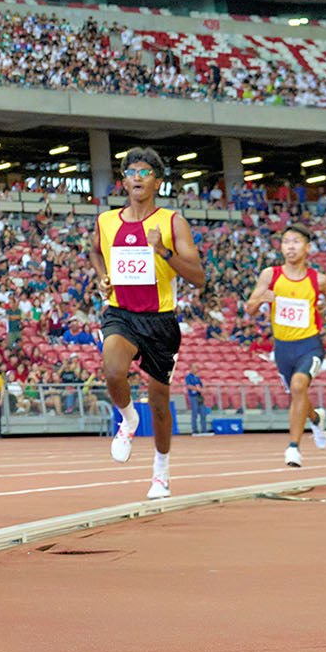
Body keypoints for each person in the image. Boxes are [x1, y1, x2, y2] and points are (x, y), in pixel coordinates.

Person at [92, 147, 204, 499]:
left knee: (159, 400)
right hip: (120, 313)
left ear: (157, 181)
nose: (137, 177)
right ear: (123, 180)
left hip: (159, 321)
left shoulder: (172, 222)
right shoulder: (107, 221)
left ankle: (161, 471)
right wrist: (102, 276)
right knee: (112, 370)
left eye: (144, 172)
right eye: (131, 172)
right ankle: (127, 419)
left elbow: (198, 277)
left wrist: (163, 252)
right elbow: (95, 250)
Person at [244, 224, 326, 468]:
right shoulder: (270, 275)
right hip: (282, 347)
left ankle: (293, 448)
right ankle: (316, 418)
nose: (290, 246)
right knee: (297, 393)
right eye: (286, 241)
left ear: (307, 247)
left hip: (309, 344)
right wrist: (260, 299)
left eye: (296, 241)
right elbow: (249, 308)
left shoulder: (318, 280)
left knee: (299, 386)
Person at [183, 368, 208, 437]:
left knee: (203, 413)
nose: (196, 369)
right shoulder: (188, 377)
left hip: (199, 397)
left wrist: (202, 390)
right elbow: (189, 386)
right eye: (194, 368)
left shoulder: (197, 377)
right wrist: (197, 389)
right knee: (194, 413)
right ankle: (195, 430)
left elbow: (201, 386)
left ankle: (204, 430)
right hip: (193, 397)